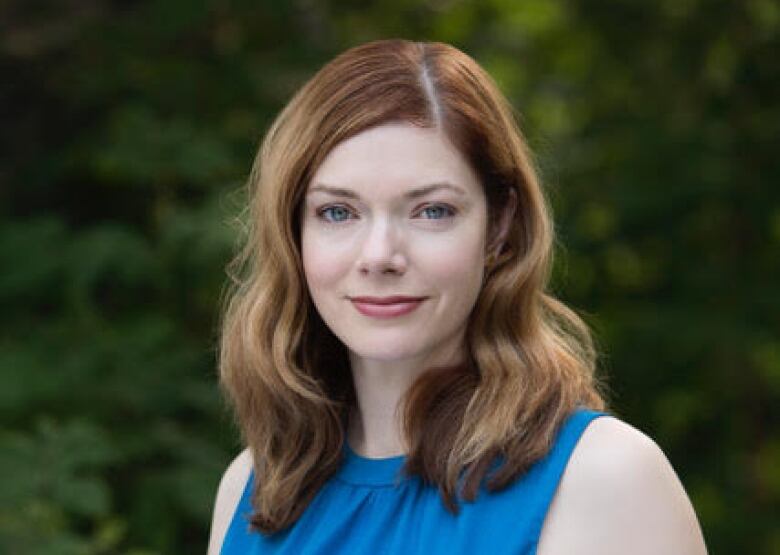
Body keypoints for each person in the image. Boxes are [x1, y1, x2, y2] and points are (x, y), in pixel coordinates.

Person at [206, 39, 708, 554]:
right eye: (338, 212)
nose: (379, 255)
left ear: (499, 226)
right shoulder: (251, 492)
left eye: (431, 211)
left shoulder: (603, 479)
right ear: (293, 234)